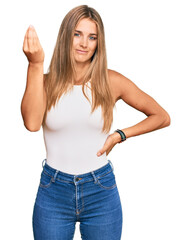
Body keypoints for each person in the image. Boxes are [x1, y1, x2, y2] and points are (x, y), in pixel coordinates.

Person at [21, 4, 170, 240]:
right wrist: (35, 64)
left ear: (98, 43)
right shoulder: (46, 83)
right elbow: (31, 123)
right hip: (54, 190)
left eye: (92, 37)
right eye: (77, 34)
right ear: (65, 36)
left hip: (100, 189)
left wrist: (119, 135)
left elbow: (161, 116)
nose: (84, 43)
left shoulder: (111, 81)